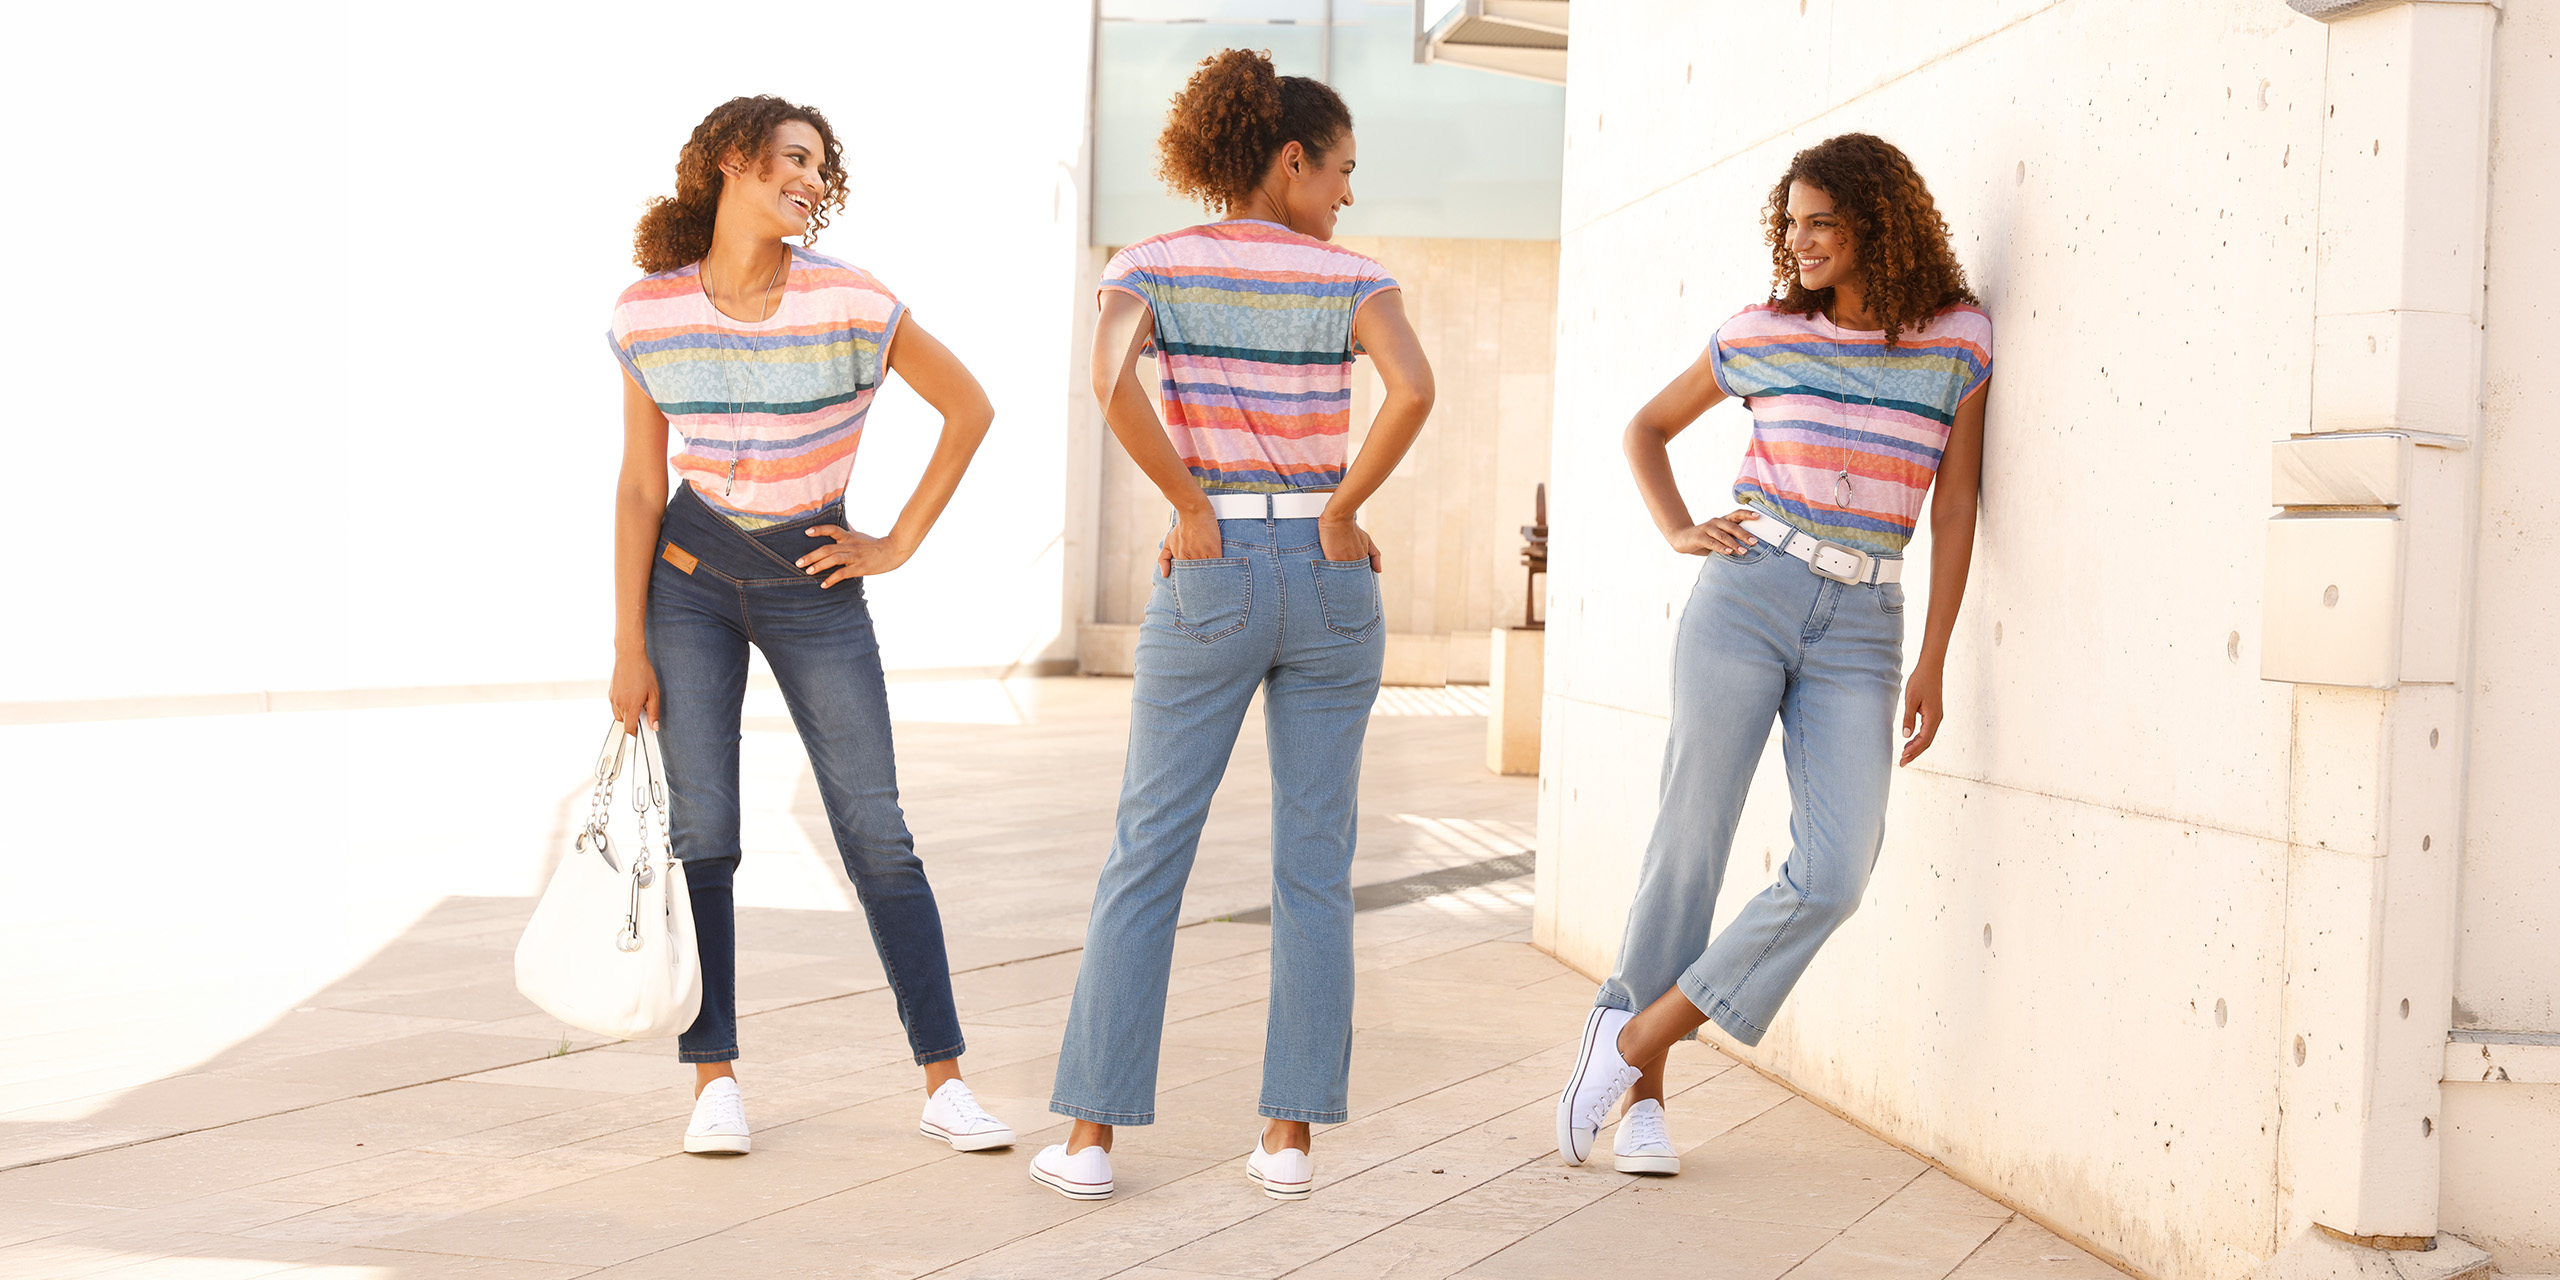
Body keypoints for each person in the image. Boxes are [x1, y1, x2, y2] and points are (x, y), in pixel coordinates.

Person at [1030, 49, 1435, 1203]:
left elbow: (1108, 380)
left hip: (1211, 571)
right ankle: (1287, 1141)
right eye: (1341, 169)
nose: (1347, 196)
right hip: (1328, 564)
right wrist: (1347, 507)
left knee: (1147, 854)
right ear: (1290, 158)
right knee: (1316, 863)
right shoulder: (1352, 276)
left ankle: (1094, 1142)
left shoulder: (1151, 263)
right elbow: (1414, 390)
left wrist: (1189, 504)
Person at [1554, 133, 1992, 1176]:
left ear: (1877, 226)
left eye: (1820, 223)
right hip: (1745, 597)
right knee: (1689, 842)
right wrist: (1676, 528)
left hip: (1866, 625)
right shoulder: (1759, 332)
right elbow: (1646, 429)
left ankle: (1628, 1038)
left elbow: (1957, 502)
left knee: (1835, 870)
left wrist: (1934, 655)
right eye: (1789, 222)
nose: (1797, 241)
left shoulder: (1958, 339)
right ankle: (1645, 1103)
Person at [606, 94, 1014, 1157]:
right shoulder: (648, 309)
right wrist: (626, 644)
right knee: (705, 832)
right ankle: (714, 1077)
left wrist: (896, 540)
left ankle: (944, 1080)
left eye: (823, 168)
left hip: (814, 576)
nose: (814, 181)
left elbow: (970, 407)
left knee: (875, 830)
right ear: (733, 162)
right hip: (688, 577)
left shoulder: (849, 297)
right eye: (795, 159)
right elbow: (640, 487)